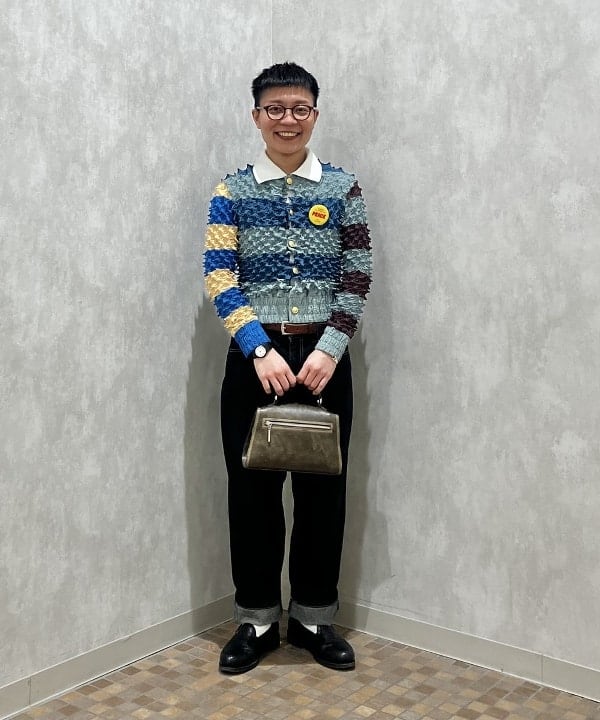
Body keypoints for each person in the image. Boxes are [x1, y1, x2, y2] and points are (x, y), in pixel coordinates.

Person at [203, 61, 372, 674]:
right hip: (254, 361)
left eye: (299, 108)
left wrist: (331, 346)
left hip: (326, 359)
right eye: (275, 109)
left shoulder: (343, 188)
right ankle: (255, 621)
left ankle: (313, 619)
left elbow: (357, 274)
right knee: (251, 496)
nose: (288, 120)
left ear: (315, 115)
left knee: (324, 494)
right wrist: (257, 346)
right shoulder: (232, 191)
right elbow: (220, 276)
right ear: (256, 117)